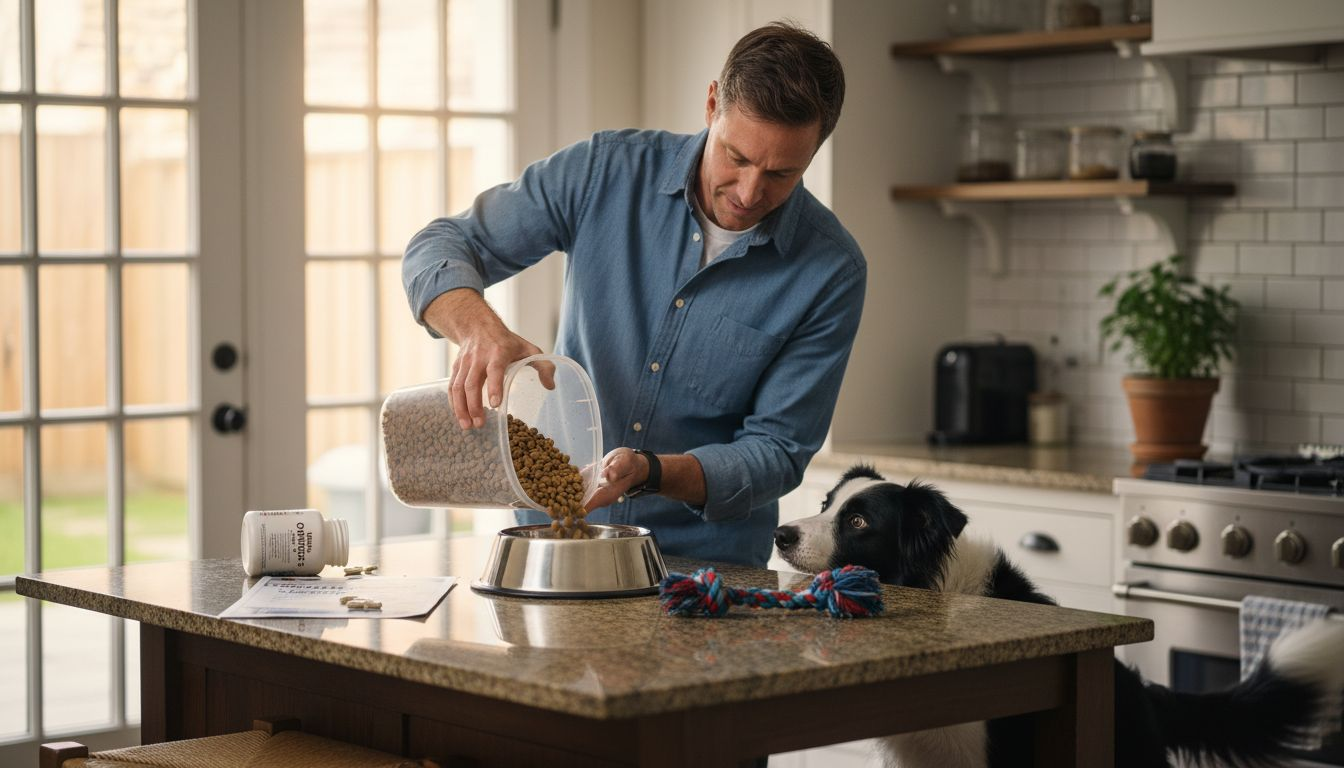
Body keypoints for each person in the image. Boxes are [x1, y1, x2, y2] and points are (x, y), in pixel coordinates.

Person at [403, 21, 865, 567]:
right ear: (713, 103)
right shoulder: (606, 172)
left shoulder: (830, 269)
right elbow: (440, 245)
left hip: (706, 572)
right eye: (737, 157)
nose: (749, 192)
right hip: (554, 544)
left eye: (782, 173)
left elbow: (776, 452)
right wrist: (480, 330)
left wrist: (650, 472)